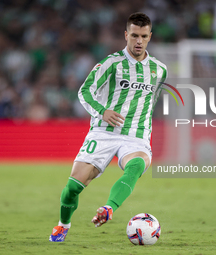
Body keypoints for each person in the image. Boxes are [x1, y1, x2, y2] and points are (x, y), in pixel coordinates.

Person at [49, 12, 167, 242]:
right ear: (126, 35)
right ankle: (63, 225)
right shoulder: (111, 64)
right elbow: (84, 91)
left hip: (136, 136)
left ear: (150, 36)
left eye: (143, 36)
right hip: (103, 132)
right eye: (134, 35)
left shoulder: (159, 70)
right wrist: (102, 111)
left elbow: (149, 102)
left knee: (136, 165)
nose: (139, 41)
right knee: (72, 188)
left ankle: (109, 208)